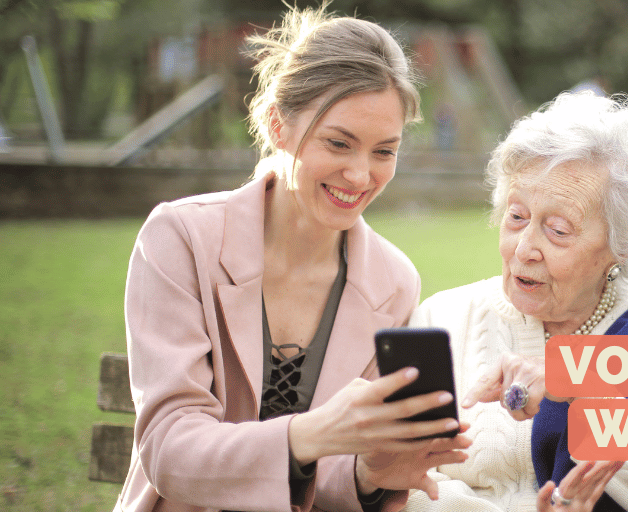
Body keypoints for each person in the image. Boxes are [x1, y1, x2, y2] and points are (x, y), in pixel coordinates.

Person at [117, 7, 474, 512]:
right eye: (338, 143)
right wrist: (309, 434)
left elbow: (326, 484)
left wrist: (368, 473)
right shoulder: (181, 238)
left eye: (384, 151)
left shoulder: (393, 282)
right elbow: (170, 451)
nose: (359, 174)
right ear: (276, 124)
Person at [405, 91, 628, 512]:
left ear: (621, 246)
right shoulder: (442, 319)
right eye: (516, 216)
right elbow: (397, 480)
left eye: (557, 229)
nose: (523, 249)